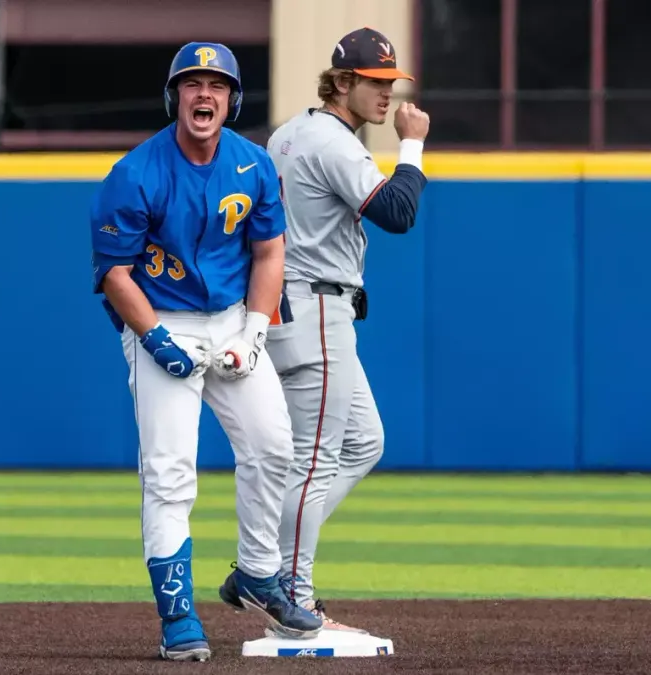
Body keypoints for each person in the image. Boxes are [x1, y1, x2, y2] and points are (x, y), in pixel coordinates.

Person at [89, 41, 323, 661]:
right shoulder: (136, 172)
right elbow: (115, 272)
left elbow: (270, 252)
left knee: (274, 446)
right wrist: (155, 338)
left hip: (230, 320)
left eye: (216, 86)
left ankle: (255, 573)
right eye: (192, 84)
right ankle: (177, 615)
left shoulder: (252, 163)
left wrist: (253, 329)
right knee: (171, 473)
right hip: (160, 316)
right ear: (175, 97)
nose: (204, 94)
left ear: (232, 99)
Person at [263, 26, 430, 634]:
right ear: (341, 82)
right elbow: (397, 212)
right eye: (375, 82)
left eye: (391, 83)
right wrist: (411, 147)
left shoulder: (288, 133)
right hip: (315, 309)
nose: (387, 95)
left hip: (298, 304)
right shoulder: (331, 142)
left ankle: (263, 571)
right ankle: (288, 595)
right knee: (315, 460)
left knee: (364, 441)